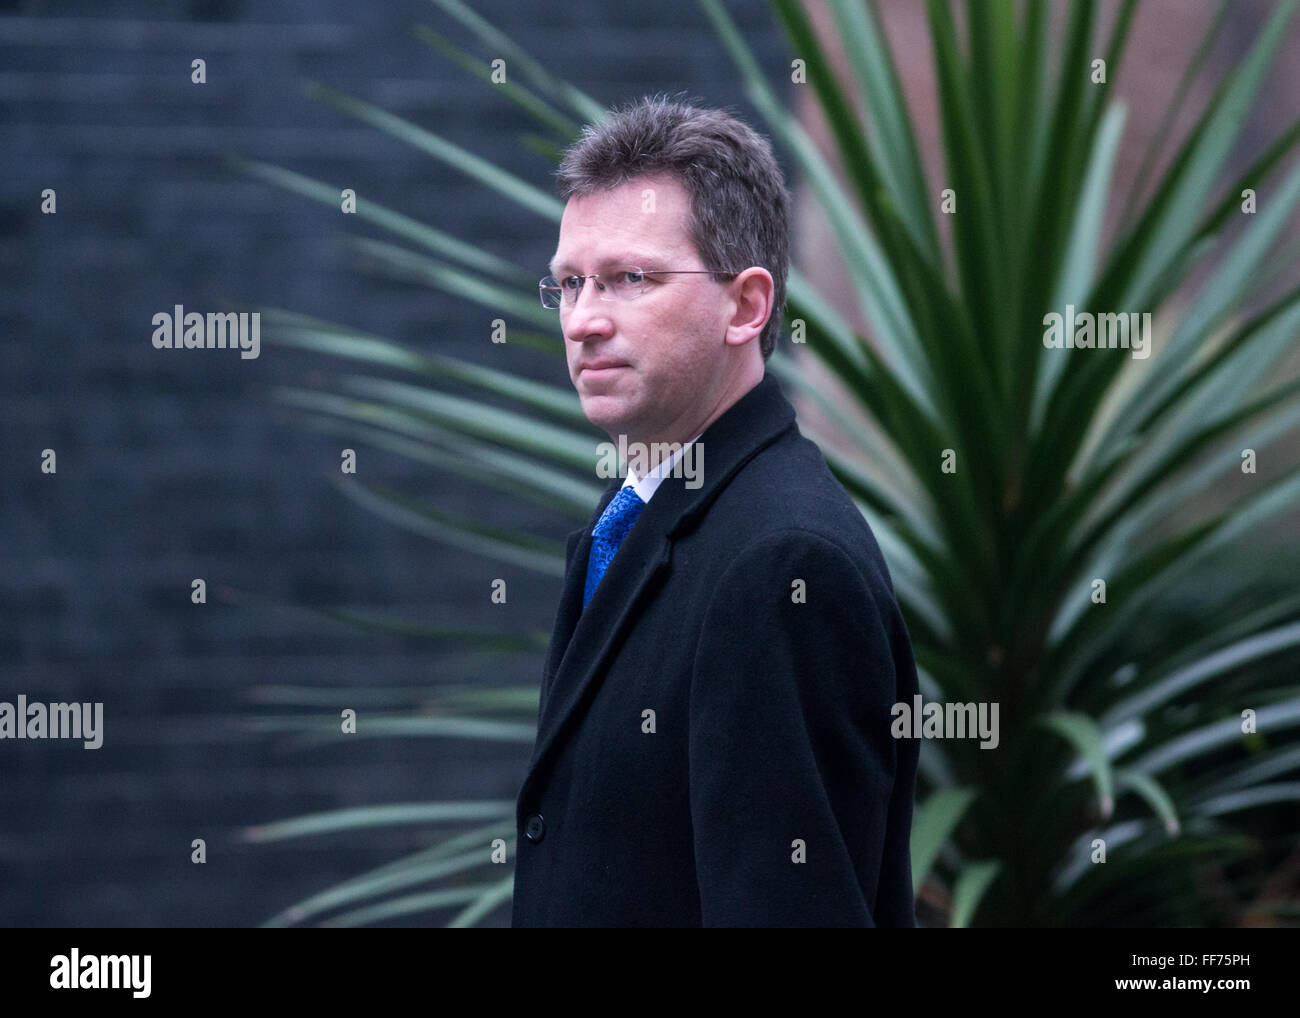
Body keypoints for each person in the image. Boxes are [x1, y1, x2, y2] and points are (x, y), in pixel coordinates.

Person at [511, 94, 919, 927]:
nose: (584, 320)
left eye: (632, 279)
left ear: (746, 305)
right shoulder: (631, 518)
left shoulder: (782, 566)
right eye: (569, 284)